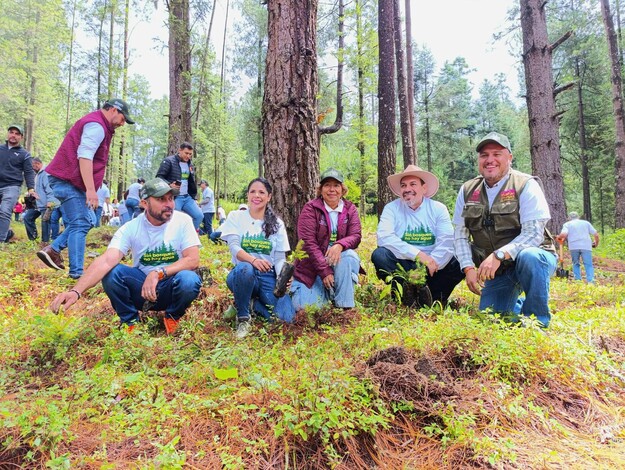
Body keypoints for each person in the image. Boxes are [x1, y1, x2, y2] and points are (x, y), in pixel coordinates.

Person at [49, 178, 202, 334]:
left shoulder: (183, 221)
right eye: (160, 199)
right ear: (144, 203)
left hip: (171, 285)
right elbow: (106, 261)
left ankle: (173, 316)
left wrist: (158, 272)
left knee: (189, 279)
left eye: (170, 198)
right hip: (142, 289)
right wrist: (75, 291)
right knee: (112, 273)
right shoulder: (131, 227)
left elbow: (192, 259)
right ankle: (130, 322)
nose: (168, 204)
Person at [452, 131, 557, 327]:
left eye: (496, 154)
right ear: (478, 160)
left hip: (532, 259)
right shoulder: (467, 190)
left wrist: (499, 255)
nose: (489, 160)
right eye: (484, 155)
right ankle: (516, 306)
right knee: (491, 319)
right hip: (499, 271)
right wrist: (468, 268)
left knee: (530, 256)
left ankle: (537, 322)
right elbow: (460, 234)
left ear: (509, 157)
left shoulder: (526, 185)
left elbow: (534, 234)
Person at [37, 98, 134, 278]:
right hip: (66, 180)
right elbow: (85, 156)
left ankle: (54, 249)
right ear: (113, 110)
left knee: (88, 219)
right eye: (123, 118)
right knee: (81, 223)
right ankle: (77, 274)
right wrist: (91, 189)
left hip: (71, 181)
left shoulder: (100, 125)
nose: (122, 123)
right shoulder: (96, 126)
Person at [372, 165, 464, 307]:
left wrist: (429, 263)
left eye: (413, 184)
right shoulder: (392, 208)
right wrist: (418, 255)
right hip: (405, 263)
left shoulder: (438, 208)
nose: (407, 189)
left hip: (434, 266)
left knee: (460, 255)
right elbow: (384, 237)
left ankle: (434, 297)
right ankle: (405, 295)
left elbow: (446, 241)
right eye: (403, 185)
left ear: (424, 188)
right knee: (380, 255)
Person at [220, 178, 295, 338]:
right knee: (245, 268)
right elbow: (234, 248)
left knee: (285, 318)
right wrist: (253, 260)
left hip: (268, 276)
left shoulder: (277, 224)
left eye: (262, 192)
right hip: (242, 273)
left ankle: (249, 303)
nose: (257, 195)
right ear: (247, 195)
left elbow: (280, 257)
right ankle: (243, 319)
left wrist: (283, 278)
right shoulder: (236, 216)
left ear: (269, 197)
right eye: (253, 191)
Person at [291, 168, 362, 310]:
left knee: (348, 257)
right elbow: (308, 243)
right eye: (327, 185)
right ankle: (326, 292)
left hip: (340, 261)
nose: (332, 190)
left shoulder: (350, 209)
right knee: (306, 308)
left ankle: (345, 306)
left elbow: (356, 236)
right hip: (313, 266)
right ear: (321, 189)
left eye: (336, 185)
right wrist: (324, 271)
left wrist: (340, 245)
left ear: (342, 189)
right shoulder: (310, 208)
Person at [156, 142, 203, 230]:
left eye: (190, 154)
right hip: (174, 197)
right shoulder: (169, 161)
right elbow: (159, 177)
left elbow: (191, 182)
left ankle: (187, 237)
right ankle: (170, 239)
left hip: (187, 197)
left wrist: (194, 197)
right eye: (186, 153)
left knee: (199, 216)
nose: (188, 156)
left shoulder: (190, 164)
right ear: (180, 150)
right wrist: (169, 185)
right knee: (173, 219)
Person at [1, 125, 35, 242]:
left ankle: (0, 241)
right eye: (11, 132)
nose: (13, 135)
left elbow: (29, 172)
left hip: (12, 186)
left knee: (5, 211)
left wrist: (31, 188)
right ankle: (8, 233)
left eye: (17, 134)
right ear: (8, 134)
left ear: (21, 137)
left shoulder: (24, 154)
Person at [23, 158, 60, 243]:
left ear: (38, 164)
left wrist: (50, 201)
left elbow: (49, 189)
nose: (32, 167)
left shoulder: (45, 173)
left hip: (46, 203)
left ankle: (45, 241)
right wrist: (27, 203)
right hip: (37, 203)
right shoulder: (37, 175)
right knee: (27, 218)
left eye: (33, 165)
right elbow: (36, 191)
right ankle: (33, 239)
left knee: (45, 222)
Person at [556, 212, 599, 283]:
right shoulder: (586, 223)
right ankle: (591, 281)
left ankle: (578, 280)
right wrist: (596, 243)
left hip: (574, 246)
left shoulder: (567, 224)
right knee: (588, 264)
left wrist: (559, 237)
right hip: (586, 246)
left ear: (569, 218)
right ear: (578, 217)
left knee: (575, 263)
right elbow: (596, 234)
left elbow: (563, 234)